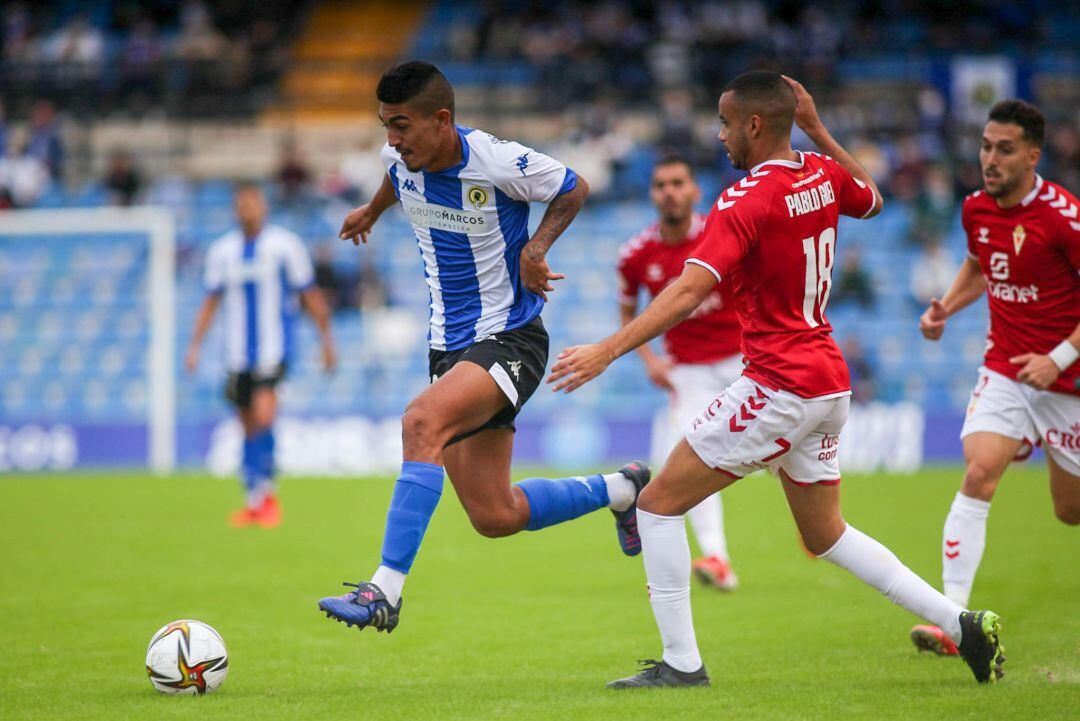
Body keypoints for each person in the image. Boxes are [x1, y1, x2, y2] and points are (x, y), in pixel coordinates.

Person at [547, 70, 1005, 687]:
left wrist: (608, 350)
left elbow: (688, 290)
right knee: (826, 534)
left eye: (726, 123)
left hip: (778, 384)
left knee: (655, 506)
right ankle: (962, 624)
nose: (720, 135)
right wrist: (817, 130)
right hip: (827, 381)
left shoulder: (745, 199)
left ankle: (681, 666)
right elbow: (871, 197)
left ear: (754, 124)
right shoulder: (821, 172)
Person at [318, 61, 649, 633]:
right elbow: (397, 177)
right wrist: (371, 210)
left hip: (511, 339)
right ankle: (622, 488)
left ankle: (385, 591)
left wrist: (536, 247)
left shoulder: (495, 160)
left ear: (441, 120)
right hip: (448, 349)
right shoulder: (399, 160)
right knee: (495, 515)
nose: (391, 140)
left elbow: (574, 186)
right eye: (385, 127)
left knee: (421, 421)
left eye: (400, 126)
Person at [911, 99, 1079, 656]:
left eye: (1004, 149)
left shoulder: (1062, 216)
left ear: (1033, 155)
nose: (990, 158)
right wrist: (945, 308)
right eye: (986, 146)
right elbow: (982, 264)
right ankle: (954, 620)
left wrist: (1058, 357)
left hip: (1067, 382)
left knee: (1069, 511)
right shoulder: (975, 209)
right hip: (1006, 366)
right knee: (980, 471)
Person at [617, 155, 742, 590]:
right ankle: (717, 558)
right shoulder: (637, 254)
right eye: (660, 184)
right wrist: (650, 360)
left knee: (785, 453)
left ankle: (820, 527)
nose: (669, 191)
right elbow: (627, 311)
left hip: (748, 361)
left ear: (694, 190)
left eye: (677, 183)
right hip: (689, 372)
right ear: (652, 194)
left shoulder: (721, 232)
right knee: (691, 458)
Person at [185, 182, 337, 528]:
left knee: (265, 416)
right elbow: (210, 301)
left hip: (273, 350)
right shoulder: (222, 252)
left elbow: (310, 295)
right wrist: (195, 346)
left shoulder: (285, 246)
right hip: (236, 355)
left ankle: (267, 496)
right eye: (241, 204)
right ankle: (254, 497)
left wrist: (327, 341)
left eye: (252, 203)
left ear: (263, 207)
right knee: (247, 425)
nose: (247, 210)